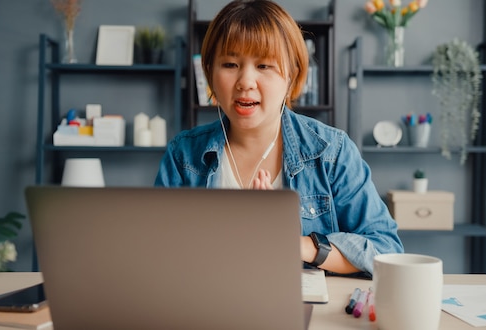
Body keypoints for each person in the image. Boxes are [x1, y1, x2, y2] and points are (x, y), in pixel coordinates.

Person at [155, 0, 403, 275]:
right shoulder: (183, 154)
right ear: (210, 74)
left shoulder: (332, 151)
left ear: (292, 76)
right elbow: (155, 254)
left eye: (263, 66)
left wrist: (300, 245)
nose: (246, 81)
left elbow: (386, 250)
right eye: (230, 64)